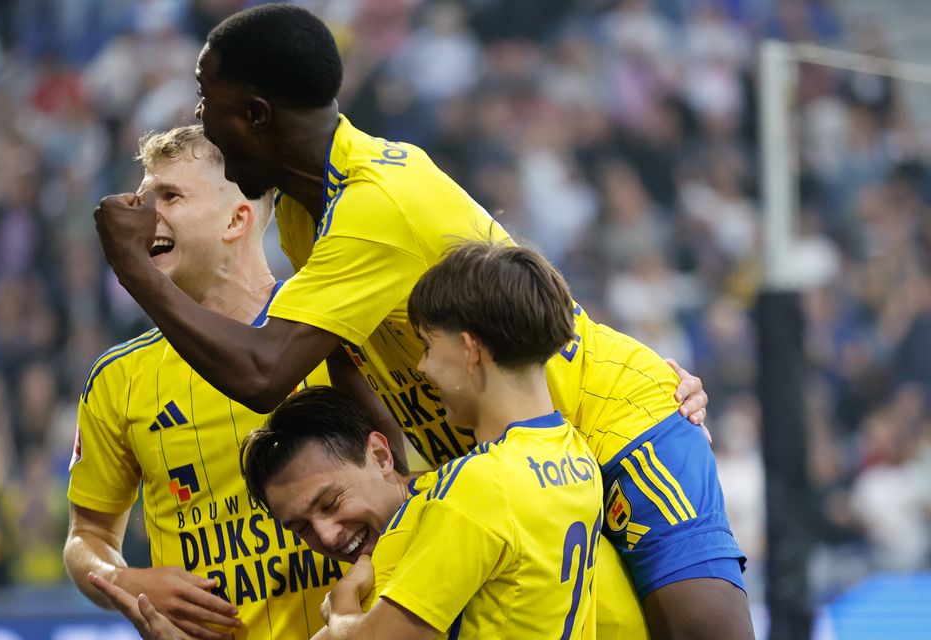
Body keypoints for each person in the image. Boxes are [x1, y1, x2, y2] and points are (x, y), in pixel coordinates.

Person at [93, 5, 752, 637]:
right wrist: (396, 479)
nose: (202, 122)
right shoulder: (303, 213)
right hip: (502, 461)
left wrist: (134, 269)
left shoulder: (377, 201)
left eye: (209, 103)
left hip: (609, 424)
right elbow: (347, 357)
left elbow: (265, 373)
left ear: (257, 114)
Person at [65, 125, 358, 640]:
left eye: (170, 196)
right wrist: (128, 578)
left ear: (236, 219)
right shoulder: (117, 378)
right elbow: (86, 535)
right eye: (143, 196)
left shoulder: (336, 333)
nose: (141, 216)